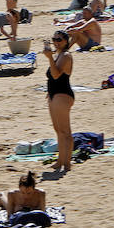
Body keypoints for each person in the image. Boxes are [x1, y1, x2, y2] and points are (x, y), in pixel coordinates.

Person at [45, 31, 75, 174]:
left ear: (66, 41)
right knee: (58, 131)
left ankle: (67, 163)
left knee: (65, 131)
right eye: (54, 39)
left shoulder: (66, 56)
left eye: (59, 39)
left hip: (63, 95)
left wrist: (50, 58)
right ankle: (61, 160)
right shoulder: (58, 56)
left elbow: (56, 75)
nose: (56, 42)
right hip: (53, 95)